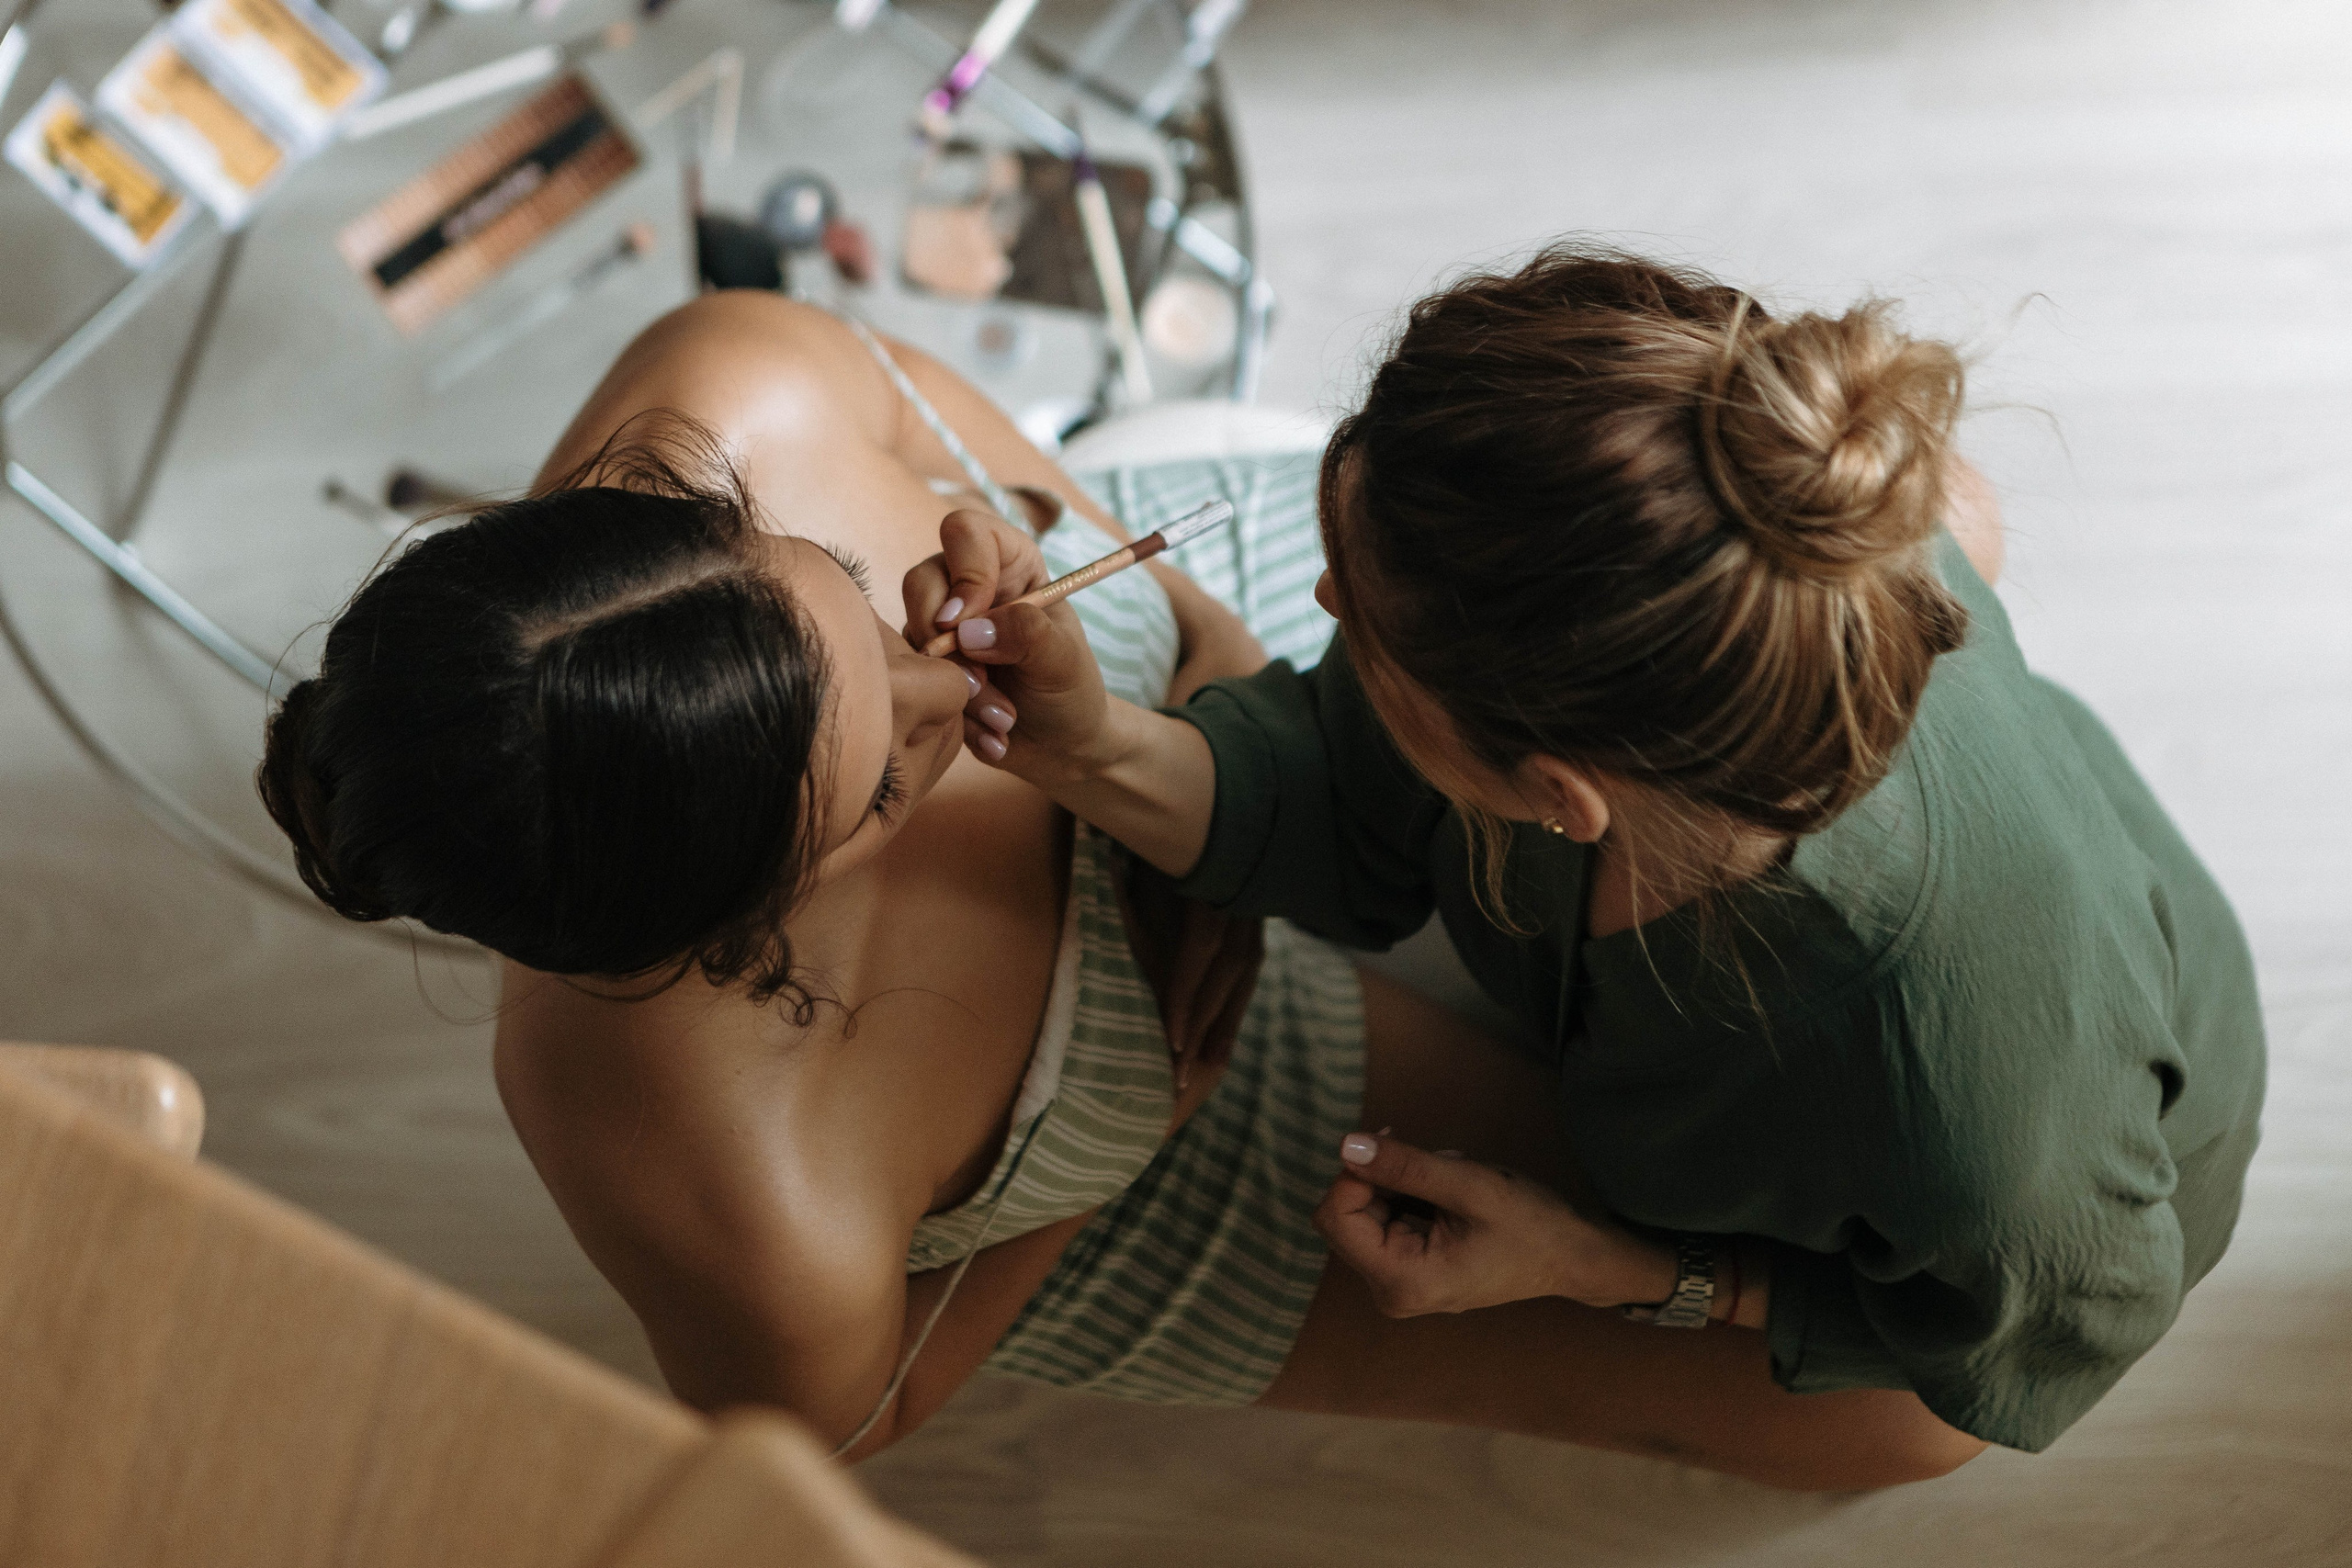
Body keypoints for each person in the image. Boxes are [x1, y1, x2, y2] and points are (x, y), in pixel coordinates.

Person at [255, 291, 1982, 1491]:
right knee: (1898, 1422)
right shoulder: (740, 1188)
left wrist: (1173, 640)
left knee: (1786, 619)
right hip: (1157, 1095)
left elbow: (957, 434)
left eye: (863, 605)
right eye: (884, 783)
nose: (966, 702)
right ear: (729, 934)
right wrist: (1165, 1090)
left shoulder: (727, 382)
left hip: (1197, 658)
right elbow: (839, 1426)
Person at [916, 246, 2267, 1459]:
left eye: (1361, 619)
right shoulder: (1689, 621)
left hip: (2043, 1225)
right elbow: (1338, 786)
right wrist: (1081, 738)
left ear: (1555, 793)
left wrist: (1633, 1273)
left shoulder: (1962, 1113)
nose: (1318, 599)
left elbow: (2061, 1328)